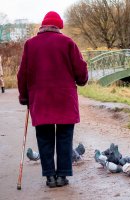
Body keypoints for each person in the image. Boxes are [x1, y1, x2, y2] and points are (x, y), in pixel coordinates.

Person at [17, 11, 88, 188]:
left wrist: (24, 97)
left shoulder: (30, 45)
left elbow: (22, 74)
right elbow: (81, 72)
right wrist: (82, 79)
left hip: (40, 100)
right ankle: (62, 176)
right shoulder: (68, 43)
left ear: (43, 26)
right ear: (58, 27)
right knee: (65, 138)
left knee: (44, 138)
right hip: (64, 99)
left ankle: (50, 177)